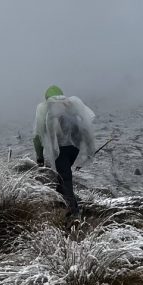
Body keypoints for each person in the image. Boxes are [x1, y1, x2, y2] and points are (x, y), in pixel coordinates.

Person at [33, 85, 97, 218]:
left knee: (65, 177)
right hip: (75, 147)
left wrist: (39, 157)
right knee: (62, 175)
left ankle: (73, 213)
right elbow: (85, 128)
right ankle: (61, 204)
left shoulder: (44, 108)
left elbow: (38, 135)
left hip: (59, 148)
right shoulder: (71, 104)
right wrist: (90, 150)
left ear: (46, 98)